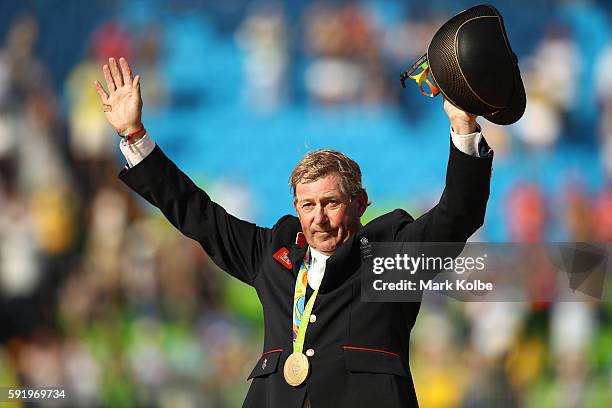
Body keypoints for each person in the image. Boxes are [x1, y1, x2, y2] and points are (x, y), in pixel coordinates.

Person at [95, 57, 493, 408]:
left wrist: (463, 126)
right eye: (307, 205)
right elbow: (196, 213)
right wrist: (135, 137)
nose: (318, 217)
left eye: (331, 203)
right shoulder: (273, 256)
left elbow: (457, 216)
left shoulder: (389, 260)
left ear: (360, 203)